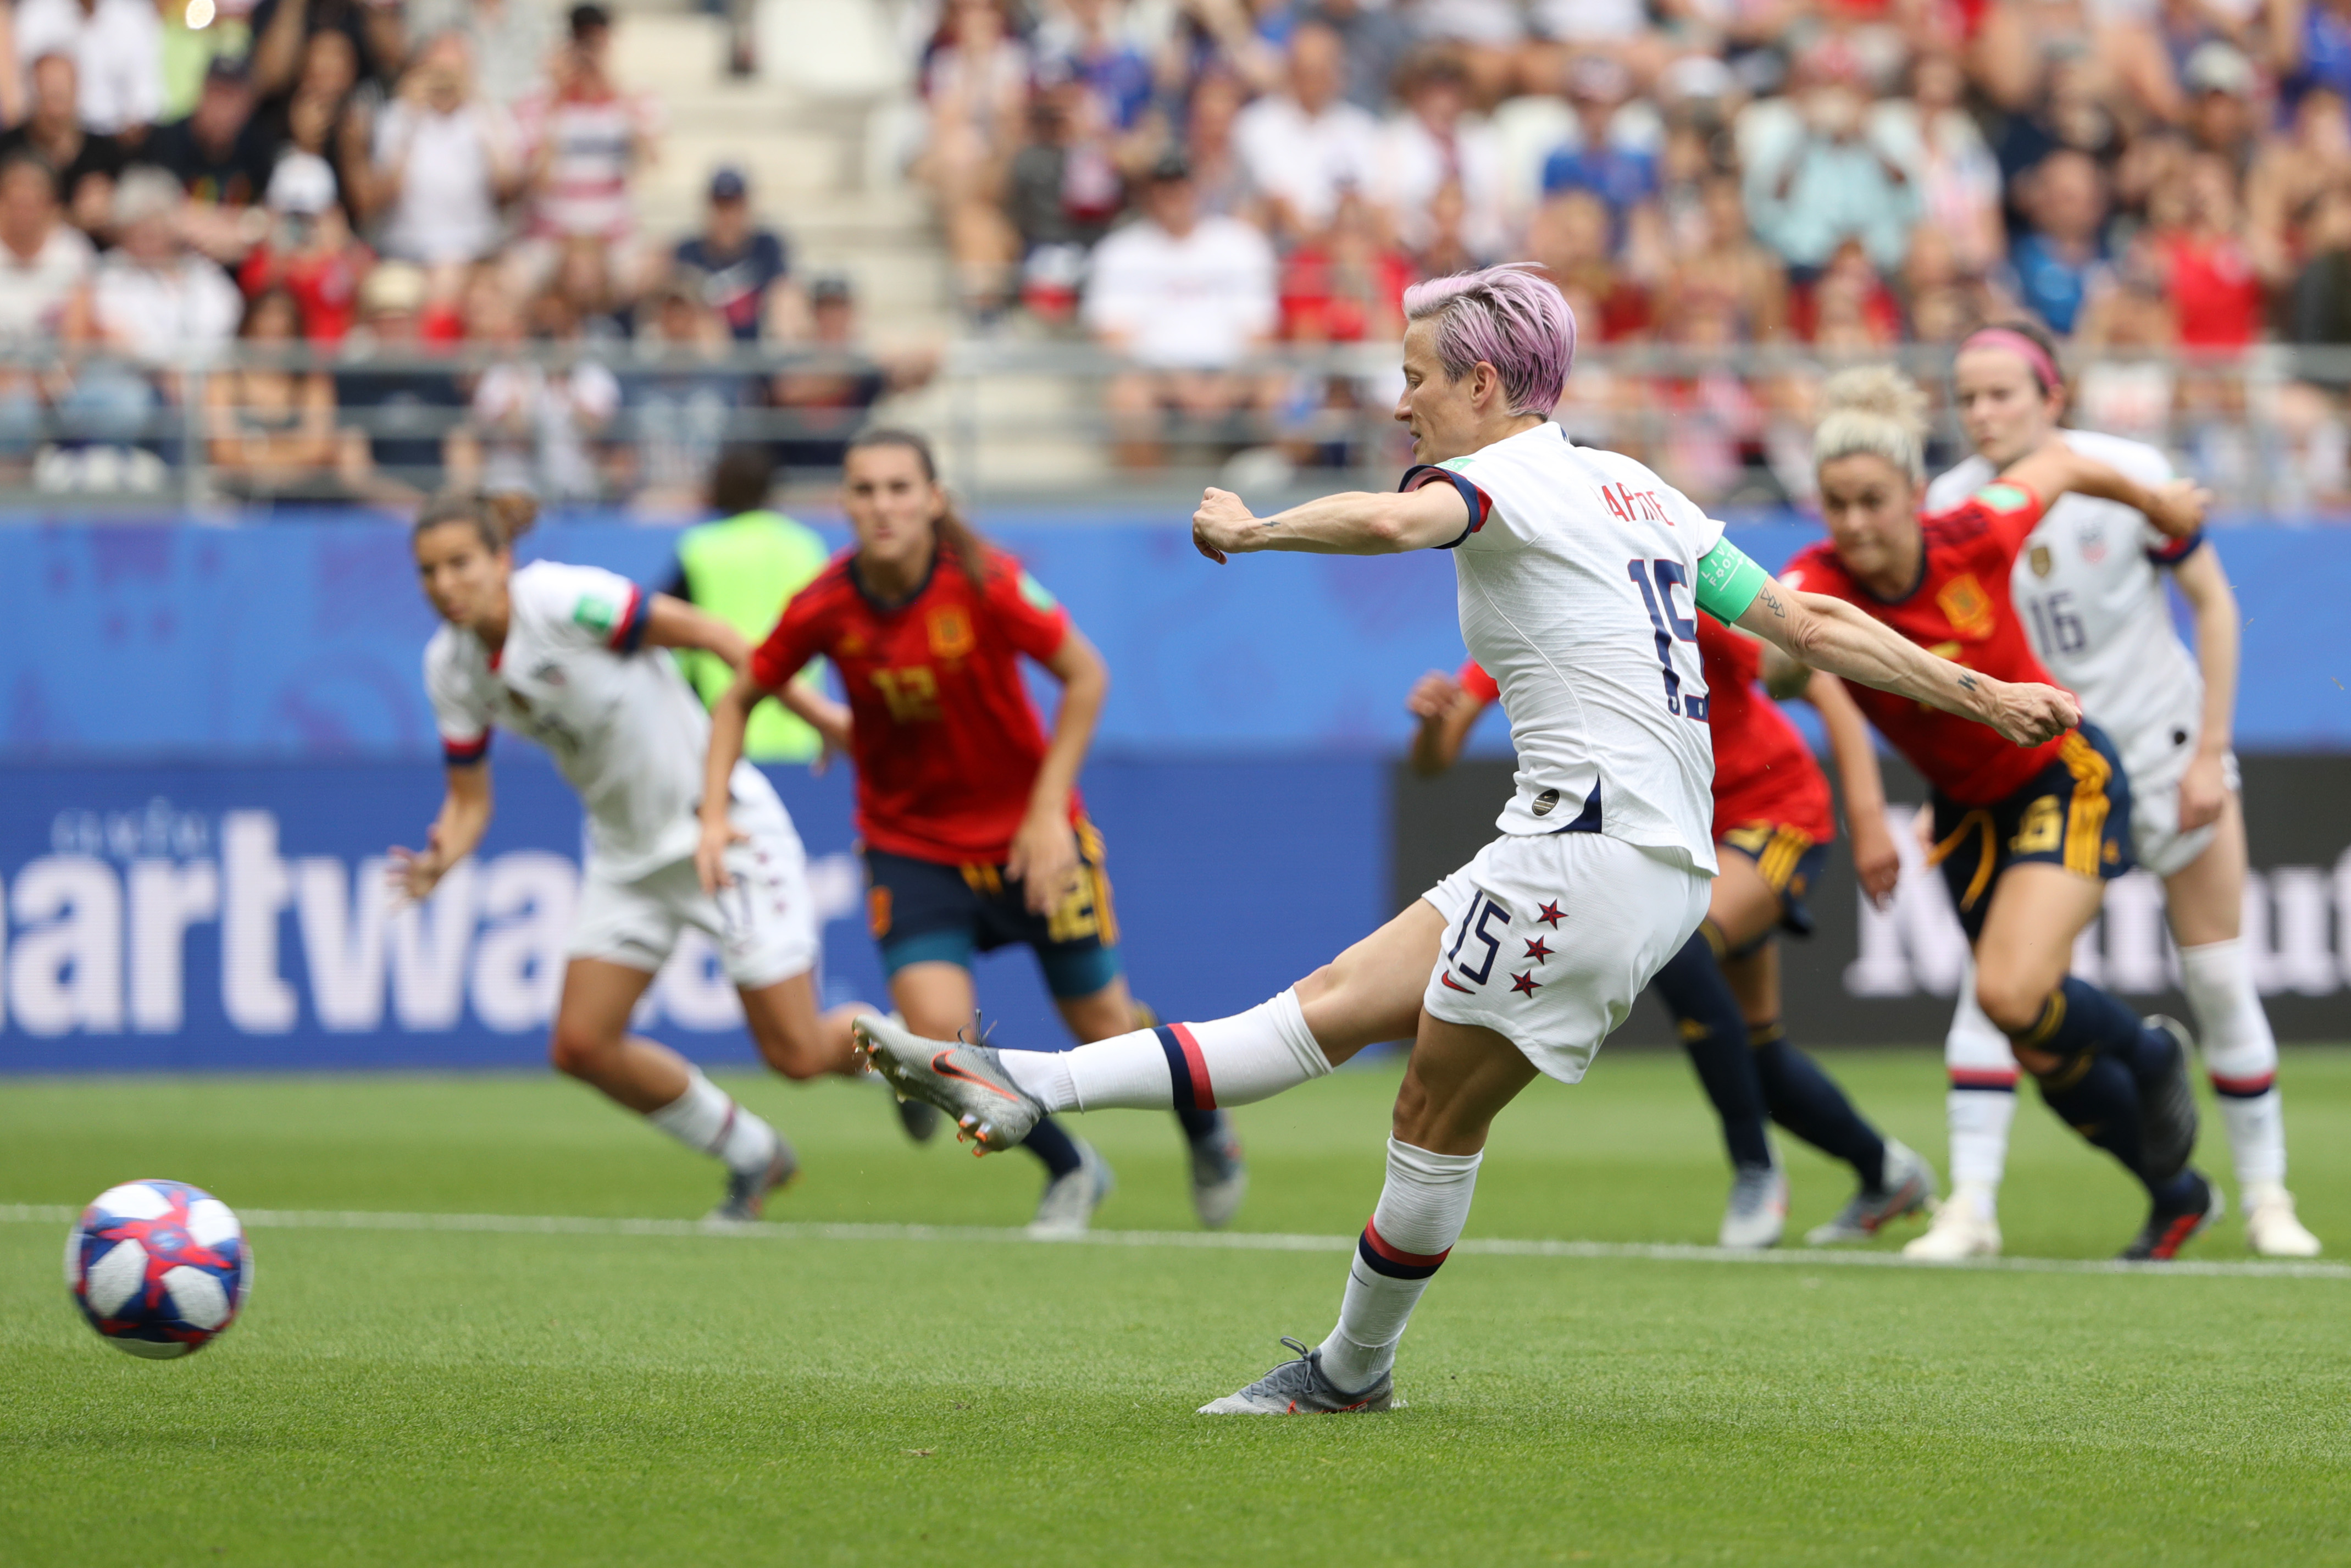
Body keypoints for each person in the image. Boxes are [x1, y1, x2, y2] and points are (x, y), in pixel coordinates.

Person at [853, 265, 2081, 1414]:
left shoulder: (1507, 483)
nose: (1403, 401)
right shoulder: (1638, 489)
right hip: (1588, 847)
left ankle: (1347, 1369)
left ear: (1483, 386)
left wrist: (1255, 526)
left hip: (1588, 858)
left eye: (1419, 375)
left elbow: (1394, 530)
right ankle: (1023, 1085)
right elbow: (1810, 623)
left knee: (1429, 1110)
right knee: (1325, 1008)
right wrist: (1983, 693)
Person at [697, 428, 1250, 1238]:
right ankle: (1072, 1169)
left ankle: (1206, 1132)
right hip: (910, 847)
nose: (882, 505)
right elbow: (738, 694)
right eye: (864, 490)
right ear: (843, 503)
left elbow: (1085, 675)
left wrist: (1045, 811)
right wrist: (713, 813)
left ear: (932, 499)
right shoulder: (826, 605)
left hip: (1032, 841)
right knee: (940, 1045)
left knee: (1102, 1030)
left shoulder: (986, 582)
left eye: (898, 488)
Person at [1777, 365, 2225, 1263]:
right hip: (1968, 811)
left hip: (2064, 772)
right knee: (2039, 1043)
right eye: (1836, 504)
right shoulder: (1814, 579)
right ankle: (2177, 1194)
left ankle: (2146, 1052)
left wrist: (2154, 504)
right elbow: (1799, 664)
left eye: (1872, 500)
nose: (1855, 522)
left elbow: (2056, 465)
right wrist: (1858, 796)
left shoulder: (1973, 530)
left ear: (1913, 492)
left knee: (2010, 992)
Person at [1905, 324, 2323, 1261]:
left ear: (2052, 397)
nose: (1981, 412)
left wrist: (2210, 749)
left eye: (2001, 393)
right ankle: (1968, 1206)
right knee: (1998, 984)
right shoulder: (1949, 501)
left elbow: (2213, 603)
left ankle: (2267, 1198)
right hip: (2049, 773)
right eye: (1966, 397)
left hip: (2161, 745)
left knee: (2216, 977)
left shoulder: (2125, 471)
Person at [395, 491, 897, 1225]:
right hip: (626, 859)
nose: (445, 584)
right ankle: (755, 1154)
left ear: (502, 560)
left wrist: (817, 713)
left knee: (796, 1055)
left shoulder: (566, 601)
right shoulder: (450, 666)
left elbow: (714, 634)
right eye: (429, 571)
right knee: (580, 1045)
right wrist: (441, 856)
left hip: (720, 831)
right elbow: (469, 801)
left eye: (461, 564)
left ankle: (895, 1056)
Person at [1405, 614, 1932, 1250]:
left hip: (1774, 811)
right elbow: (1436, 762)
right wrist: (1433, 727)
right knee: (1755, 1050)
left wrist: (1870, 820)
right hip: (1685, 838)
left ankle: (1754, 1169)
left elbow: (1822, 687)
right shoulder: (1530, 615)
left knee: (1679, 953)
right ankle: (1886, 1173)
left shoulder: (1671, 600)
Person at [665, 445, 831, 764]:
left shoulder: (700, 549)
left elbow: (666, 630)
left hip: (722, 739)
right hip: (800, 734)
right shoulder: (806, 546)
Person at [674, 166, 796, 343]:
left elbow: (784, 293)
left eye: (734, 206)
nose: (728, 215)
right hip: (705, 354)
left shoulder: (767, 246)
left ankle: (783, 360)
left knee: (787, 299)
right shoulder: (689, 252)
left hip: (760, 343)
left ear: (746, 207)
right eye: (721, 206)